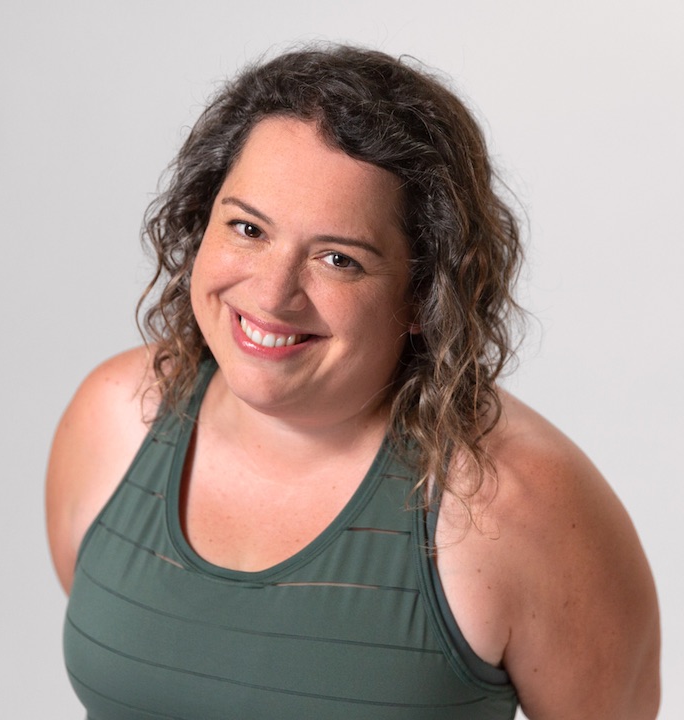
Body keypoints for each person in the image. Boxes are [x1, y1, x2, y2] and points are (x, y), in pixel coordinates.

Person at [46, 45, 660, 719]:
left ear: (423, 294)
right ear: (202, 220)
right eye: (248, 228)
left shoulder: (520, 503)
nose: (272, 295)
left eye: (338, 259)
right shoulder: (116, 417)